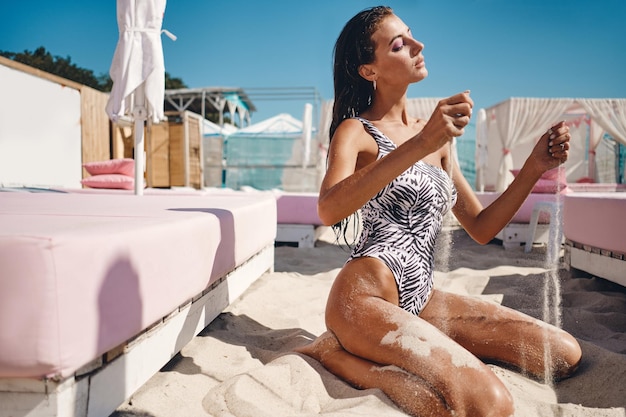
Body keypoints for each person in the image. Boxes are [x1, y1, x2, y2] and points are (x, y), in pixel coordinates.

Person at [295, 6, 582, 417]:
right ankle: (341, 356)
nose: (418, 45)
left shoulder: (437, 139)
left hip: (422, 296)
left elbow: (482, 228)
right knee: (491, 405)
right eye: (399, 44)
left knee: (562, 354)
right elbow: (328, 208)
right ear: (368, 71)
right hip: (365, 298)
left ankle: (412, 349)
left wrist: (535, 167)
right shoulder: (356, 131)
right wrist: (421, 142)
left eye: (411, 35)